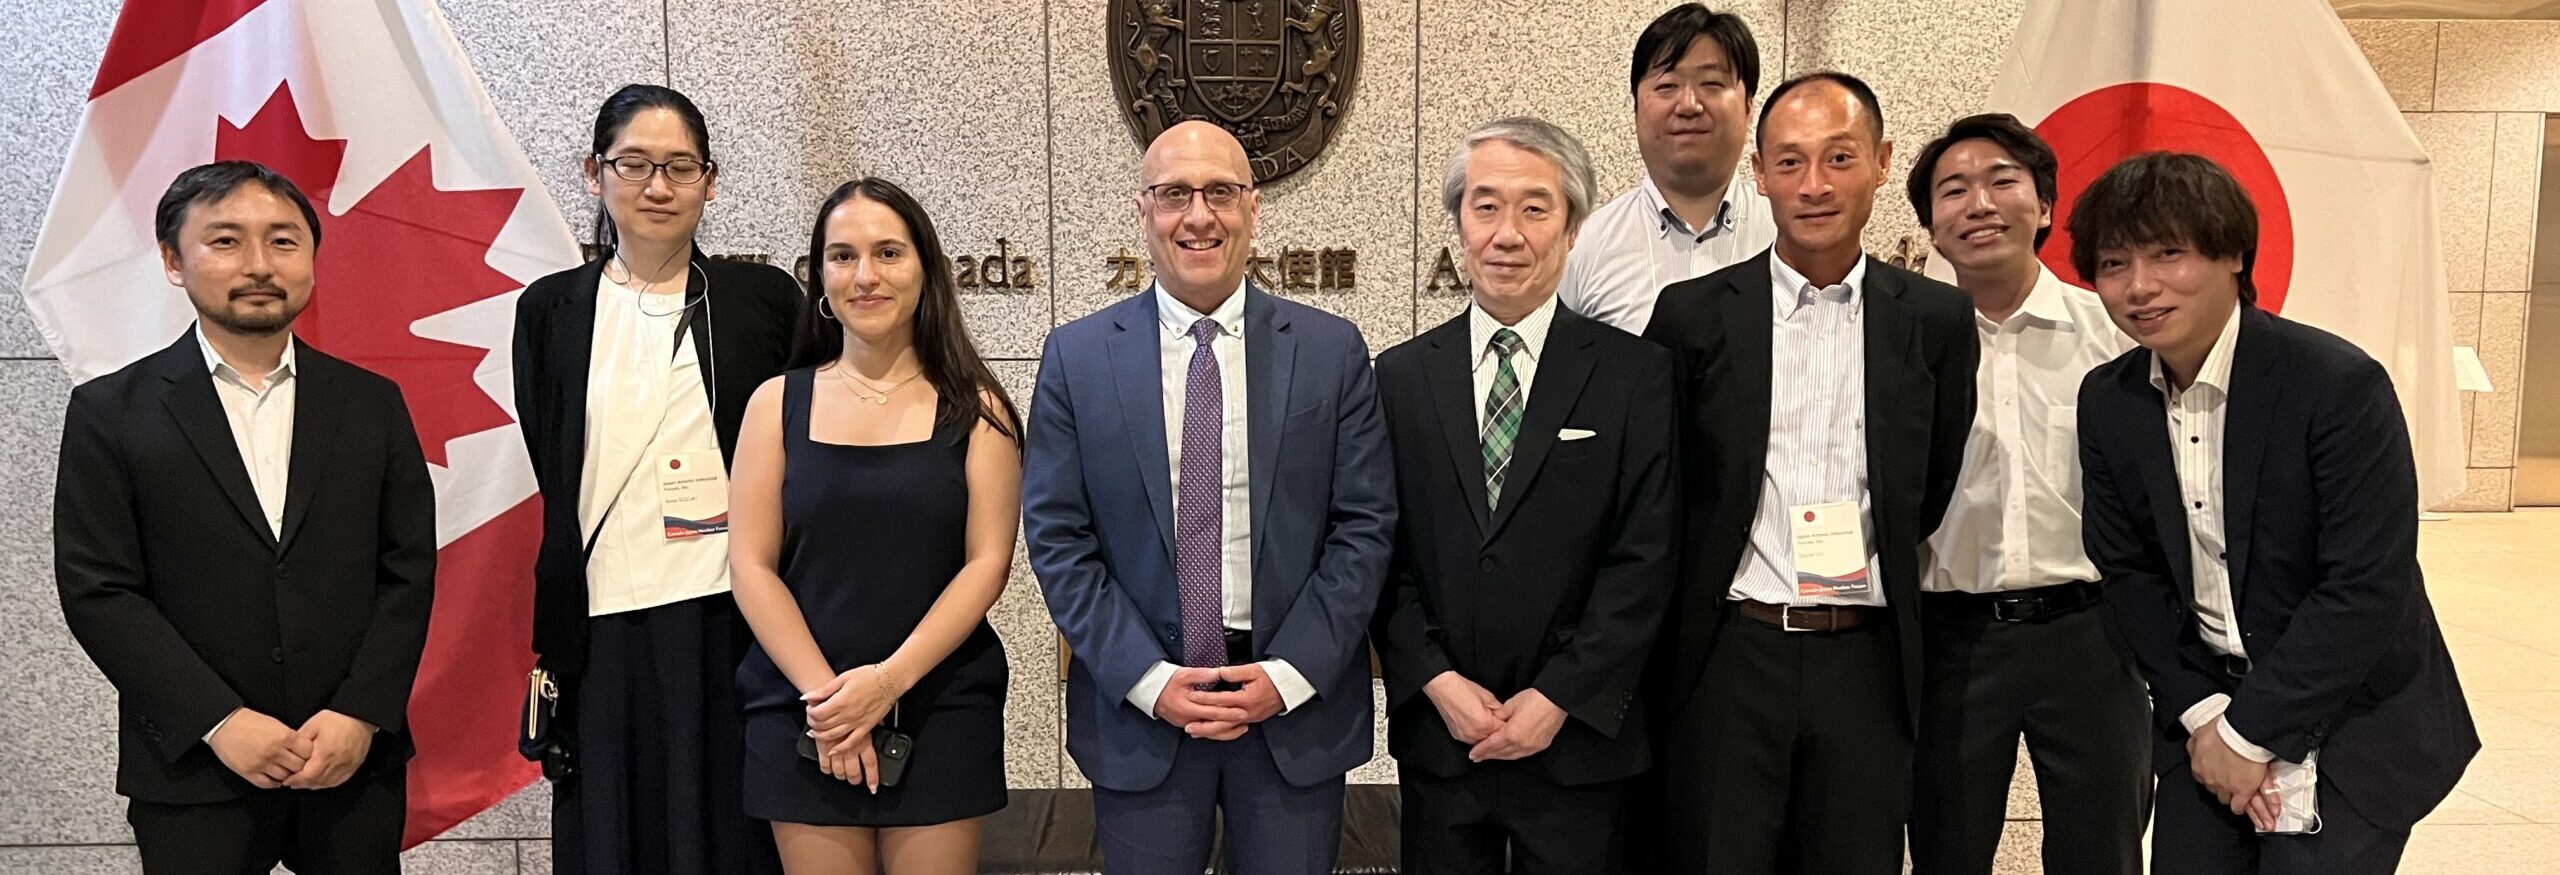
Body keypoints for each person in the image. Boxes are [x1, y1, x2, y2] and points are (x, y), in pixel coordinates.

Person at [2071, 152, 2479, 874]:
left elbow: (2364, 586)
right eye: (2113, 263)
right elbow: (2128, 572)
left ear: (2233, 254)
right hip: (2205, 714)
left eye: (2168, 254)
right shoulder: (2110, 398)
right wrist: (2208, 719)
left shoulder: (2336, 384)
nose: (2139, 286)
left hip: (2349, 714)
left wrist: (2249, 734)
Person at [1023, 119, 1397, 875]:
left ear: (1253, 208)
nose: (1199, 215)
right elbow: (1059, 540)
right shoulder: (1077, 357)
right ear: (1143, 211)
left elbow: (1364, 528)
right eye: (1174, 194)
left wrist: (1288, 675)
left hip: (1291, 712)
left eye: (1221, 192)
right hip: (1144, 715)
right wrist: (1150, 680)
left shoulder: (1331, 351)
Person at [54, 160, 436, 874]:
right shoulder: (111, 412)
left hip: (347, 758)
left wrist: (360, 712)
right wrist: (219, 721)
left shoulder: (371, 402)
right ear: (173, 260)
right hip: (194, 766)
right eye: (225, 241)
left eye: (283, 241)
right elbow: (98, 589)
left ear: (312, 257)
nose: (259, 264)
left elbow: (407, 568)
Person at [1640, 72, 1977, 873]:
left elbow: (1928, 485)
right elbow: (1667, 488)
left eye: (1839, 157)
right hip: (1731, 654)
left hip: (1865, 659)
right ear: (1760, 175)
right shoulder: (1692, 316)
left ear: (1882, 163)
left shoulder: (1934, 319)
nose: (1814, 184)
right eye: (1789, 162)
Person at [1371, 116, 1677, 875]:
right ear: (1460, 224)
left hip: (1579, 741)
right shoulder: (1401, 377)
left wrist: (1558, 696)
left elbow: (1645, 556)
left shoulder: (1636, 375)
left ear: (1571, 228)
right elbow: (1378, 549)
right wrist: (1436, 680)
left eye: (1535, 208)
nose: (1507, 233)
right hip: (1445, 737)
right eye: (1486, 206)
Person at [512, 84, 799, 874]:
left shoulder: (760, 301)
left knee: (729, 834)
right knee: (613, 833)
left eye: (680, 166)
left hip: (731, 615)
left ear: (711, 181)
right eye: (633, 164)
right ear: (594, 173)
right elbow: (550, 453)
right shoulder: (551, 309)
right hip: (601, 622)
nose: (658, 186)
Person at [728, 176, 1021, 874]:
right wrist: (832, 702)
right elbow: (750, 565)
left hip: (939, 702)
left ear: (925, 269)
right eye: (843, 256)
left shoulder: (978, 409)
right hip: (803, 707)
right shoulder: (775, 403)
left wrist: (887, 683)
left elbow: (988, 564)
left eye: (888, 252)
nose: (865, 275)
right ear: (821, 279)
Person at [1900, 113, 2150, 875]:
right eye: (1953, 190)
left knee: (2101, 850)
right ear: (1933, 228)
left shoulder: (2113, 334)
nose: (1978, 203)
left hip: (2092, 634)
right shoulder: (1904, 343)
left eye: (2001, 181)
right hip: (1952, 639)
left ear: (2043, 206)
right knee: (1946, 850)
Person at [1559, 2, 1777, 335]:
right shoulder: (1584, 246)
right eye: (1667, 86)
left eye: (1711, 83)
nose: (1688, 105)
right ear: (1636, 108)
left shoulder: (1786, 232)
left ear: (1749, 107)